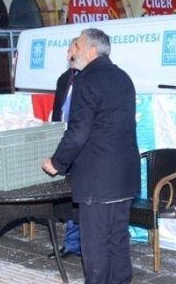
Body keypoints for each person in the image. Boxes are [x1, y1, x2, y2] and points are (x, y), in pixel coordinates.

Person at [42, 28, 140, 284]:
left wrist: (56, 163)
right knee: (118, 241)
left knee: (95, 246)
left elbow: (78, 131)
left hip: (98, 180)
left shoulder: (87, 80)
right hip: (124, 177)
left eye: (76, 46)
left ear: (91, 51)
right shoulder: (123, 77)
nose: (71, 52)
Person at [50, 38, 82, 259]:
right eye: (68, 51)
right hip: (64, 144)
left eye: (72, 50)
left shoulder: (91, 79)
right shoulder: (63, 79)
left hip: (82, 147)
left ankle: (82, 243)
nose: (68, 55)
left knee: (81, 198)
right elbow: (57, 113)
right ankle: (71, 243)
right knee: (68, 199)